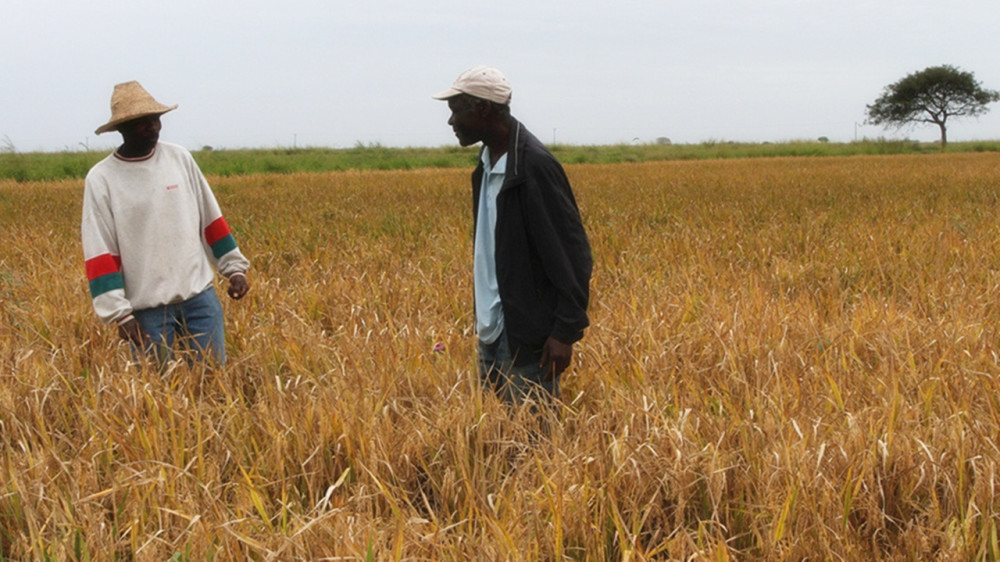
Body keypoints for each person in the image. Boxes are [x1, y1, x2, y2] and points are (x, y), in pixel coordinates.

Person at [433, 66, 592, 405]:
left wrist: (565, 331)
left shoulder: (534, 167)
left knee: (532, 446)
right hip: (492, 329)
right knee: (496, 439)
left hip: (527, 336)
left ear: (483, 109)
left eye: (456, 110)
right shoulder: (487, 164)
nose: (450, 122)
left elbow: (573, 253)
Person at [82, 81, 250, 366]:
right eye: (143, 122)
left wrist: (233, 268)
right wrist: (120, 314)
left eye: (156, 119)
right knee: (160, 396)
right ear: (122, 128)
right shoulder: (102, 179)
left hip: (200, 300)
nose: (153, 127)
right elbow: (100, 251)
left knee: (213, 385)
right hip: (147, 312)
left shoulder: (179, 159)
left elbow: (210, 218)